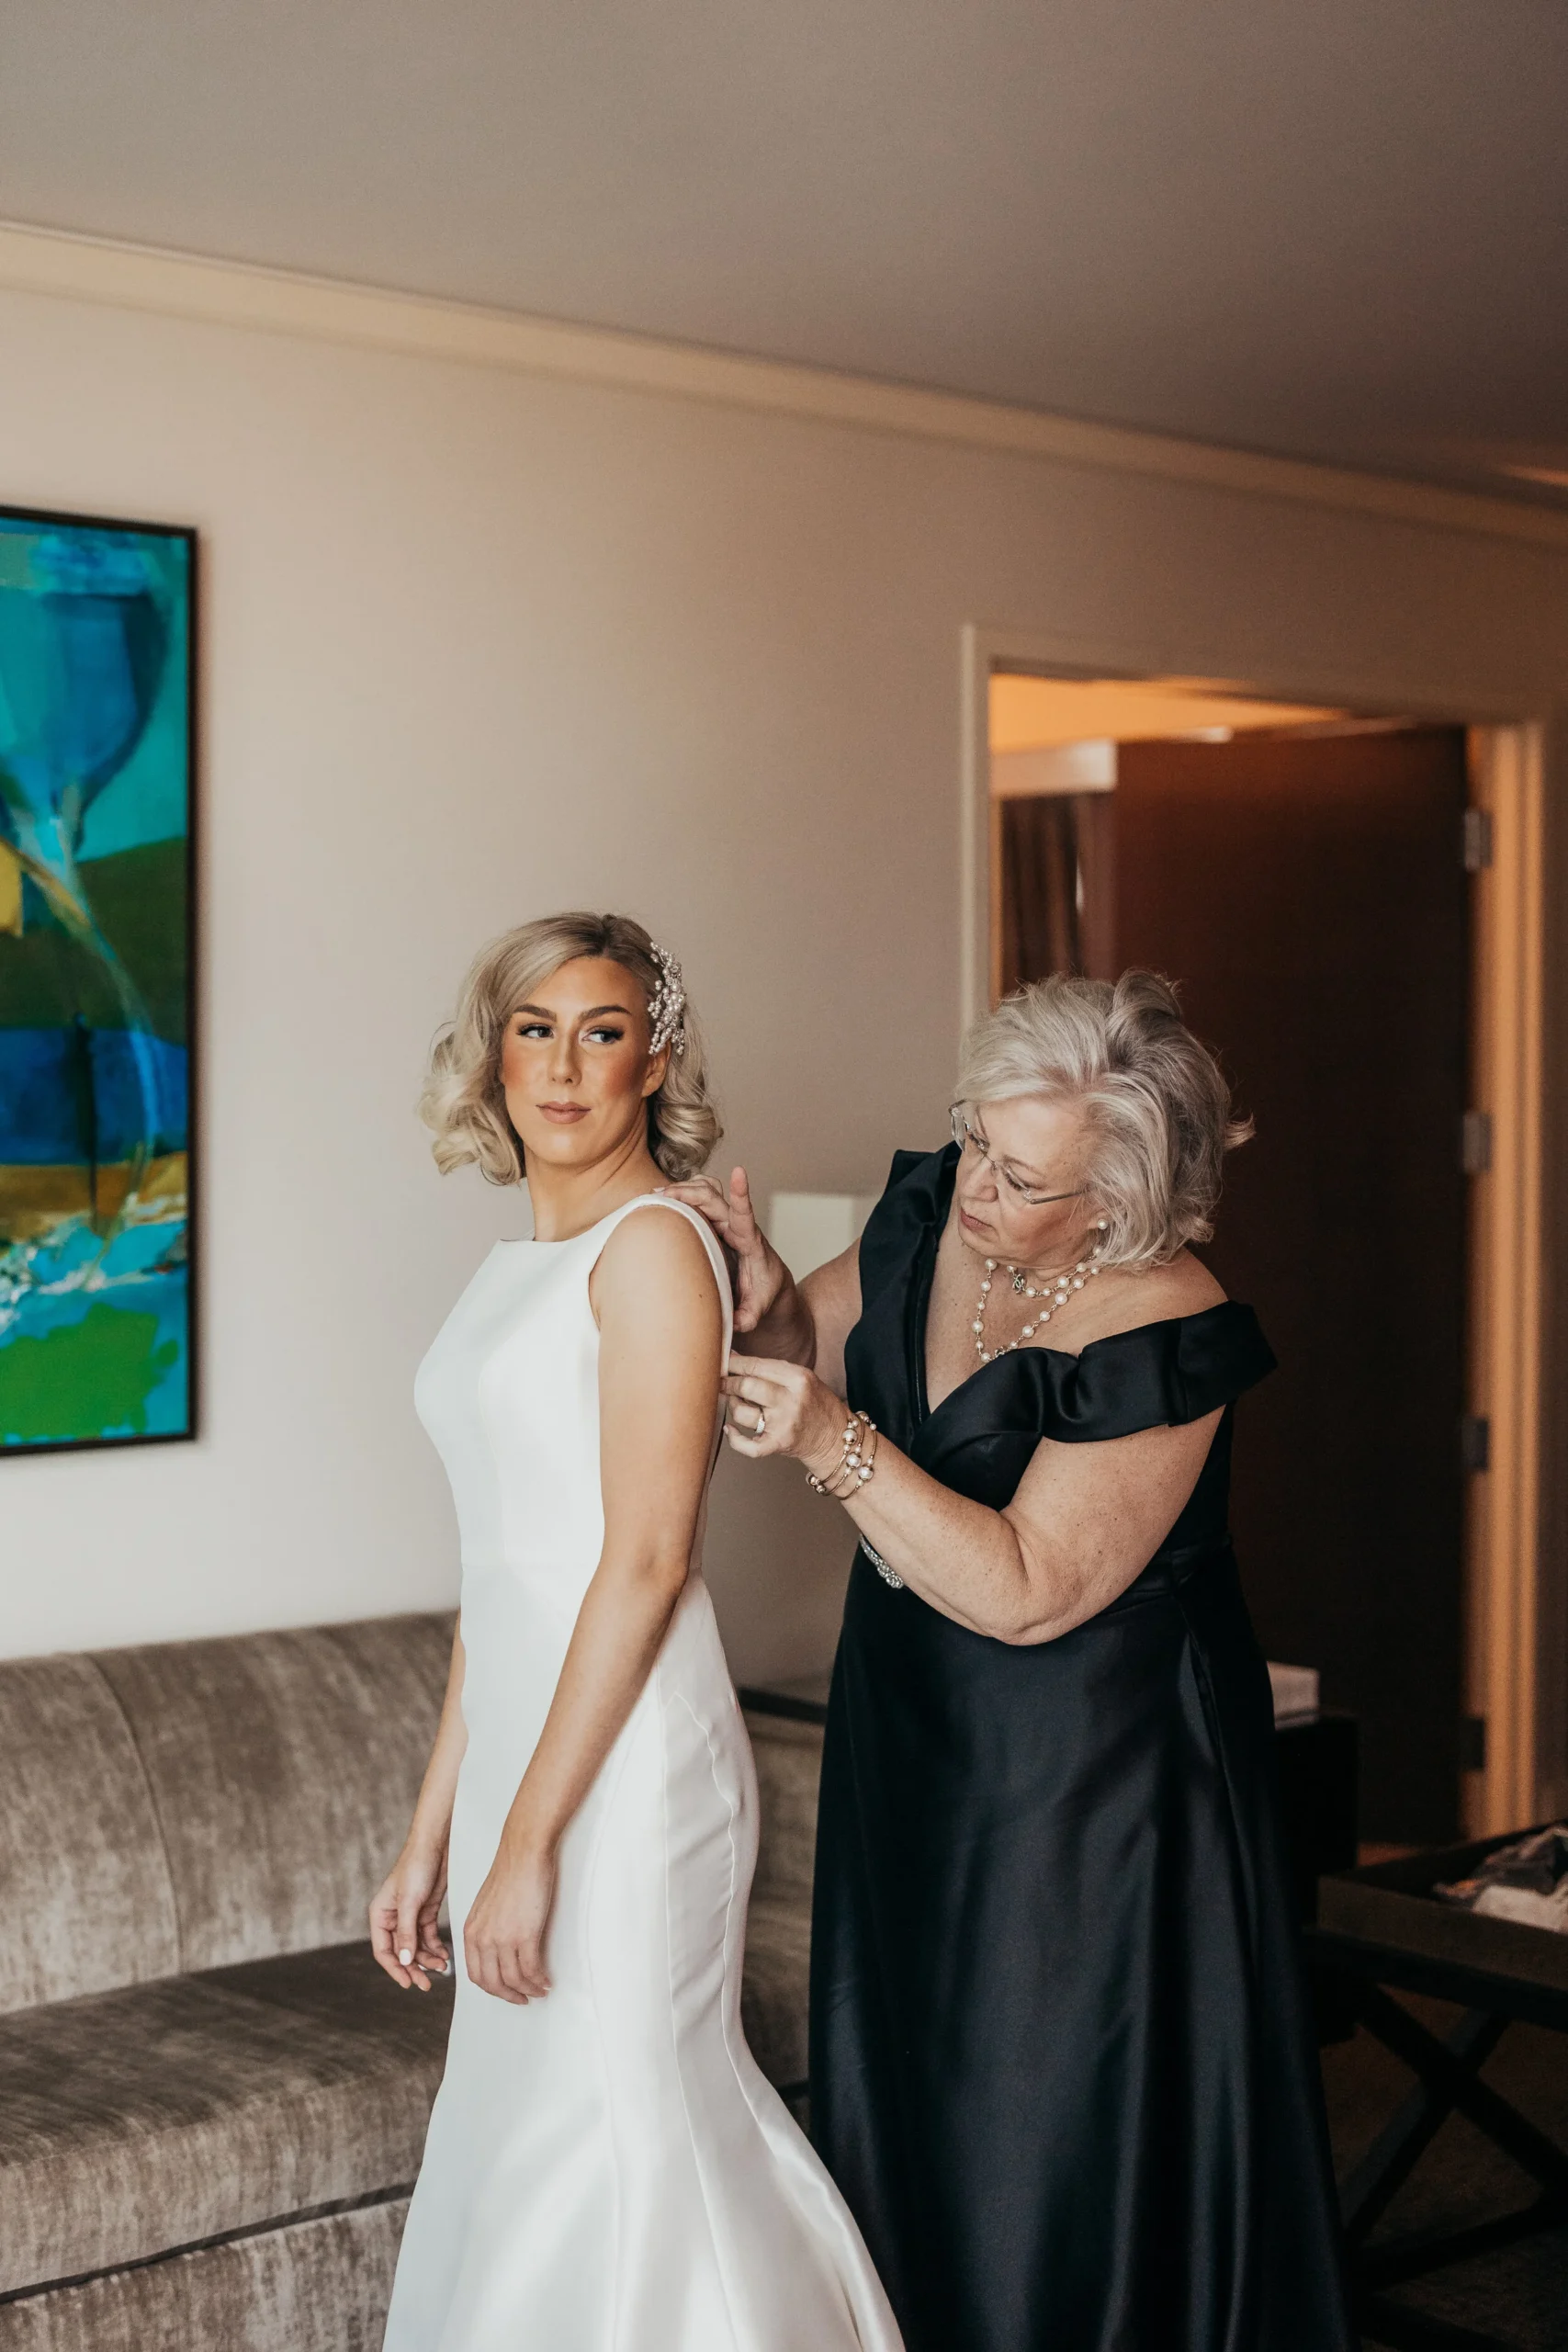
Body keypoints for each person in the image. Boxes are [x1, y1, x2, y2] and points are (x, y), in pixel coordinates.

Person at [670, 971, 1354, 2352]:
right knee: (910, 2064)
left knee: (1046, 2106)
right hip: (909, 1720)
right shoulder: (934, 1210)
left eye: (1022, 1176)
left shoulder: (1164, 1325)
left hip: (1095, 1773)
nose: (977, 1186)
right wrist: (769, 1306)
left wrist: (829, 1444)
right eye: (974, 1137)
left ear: (1119, 1199)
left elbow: (1035, 1590)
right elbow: (821, 1348)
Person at [372, 912, 900, 2352]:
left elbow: (648, 1560)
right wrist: (434, 1836)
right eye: (533, 1030)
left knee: (629, 2119)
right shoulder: (512, 1267)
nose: (562, 1067)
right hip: (531, 1754)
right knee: (524, 2127)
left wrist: (528, 1843)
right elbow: (504, 1582)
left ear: (652, 1061)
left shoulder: (655, 1249)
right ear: (493, 1055)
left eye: (600, 1032)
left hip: (631, 1768)